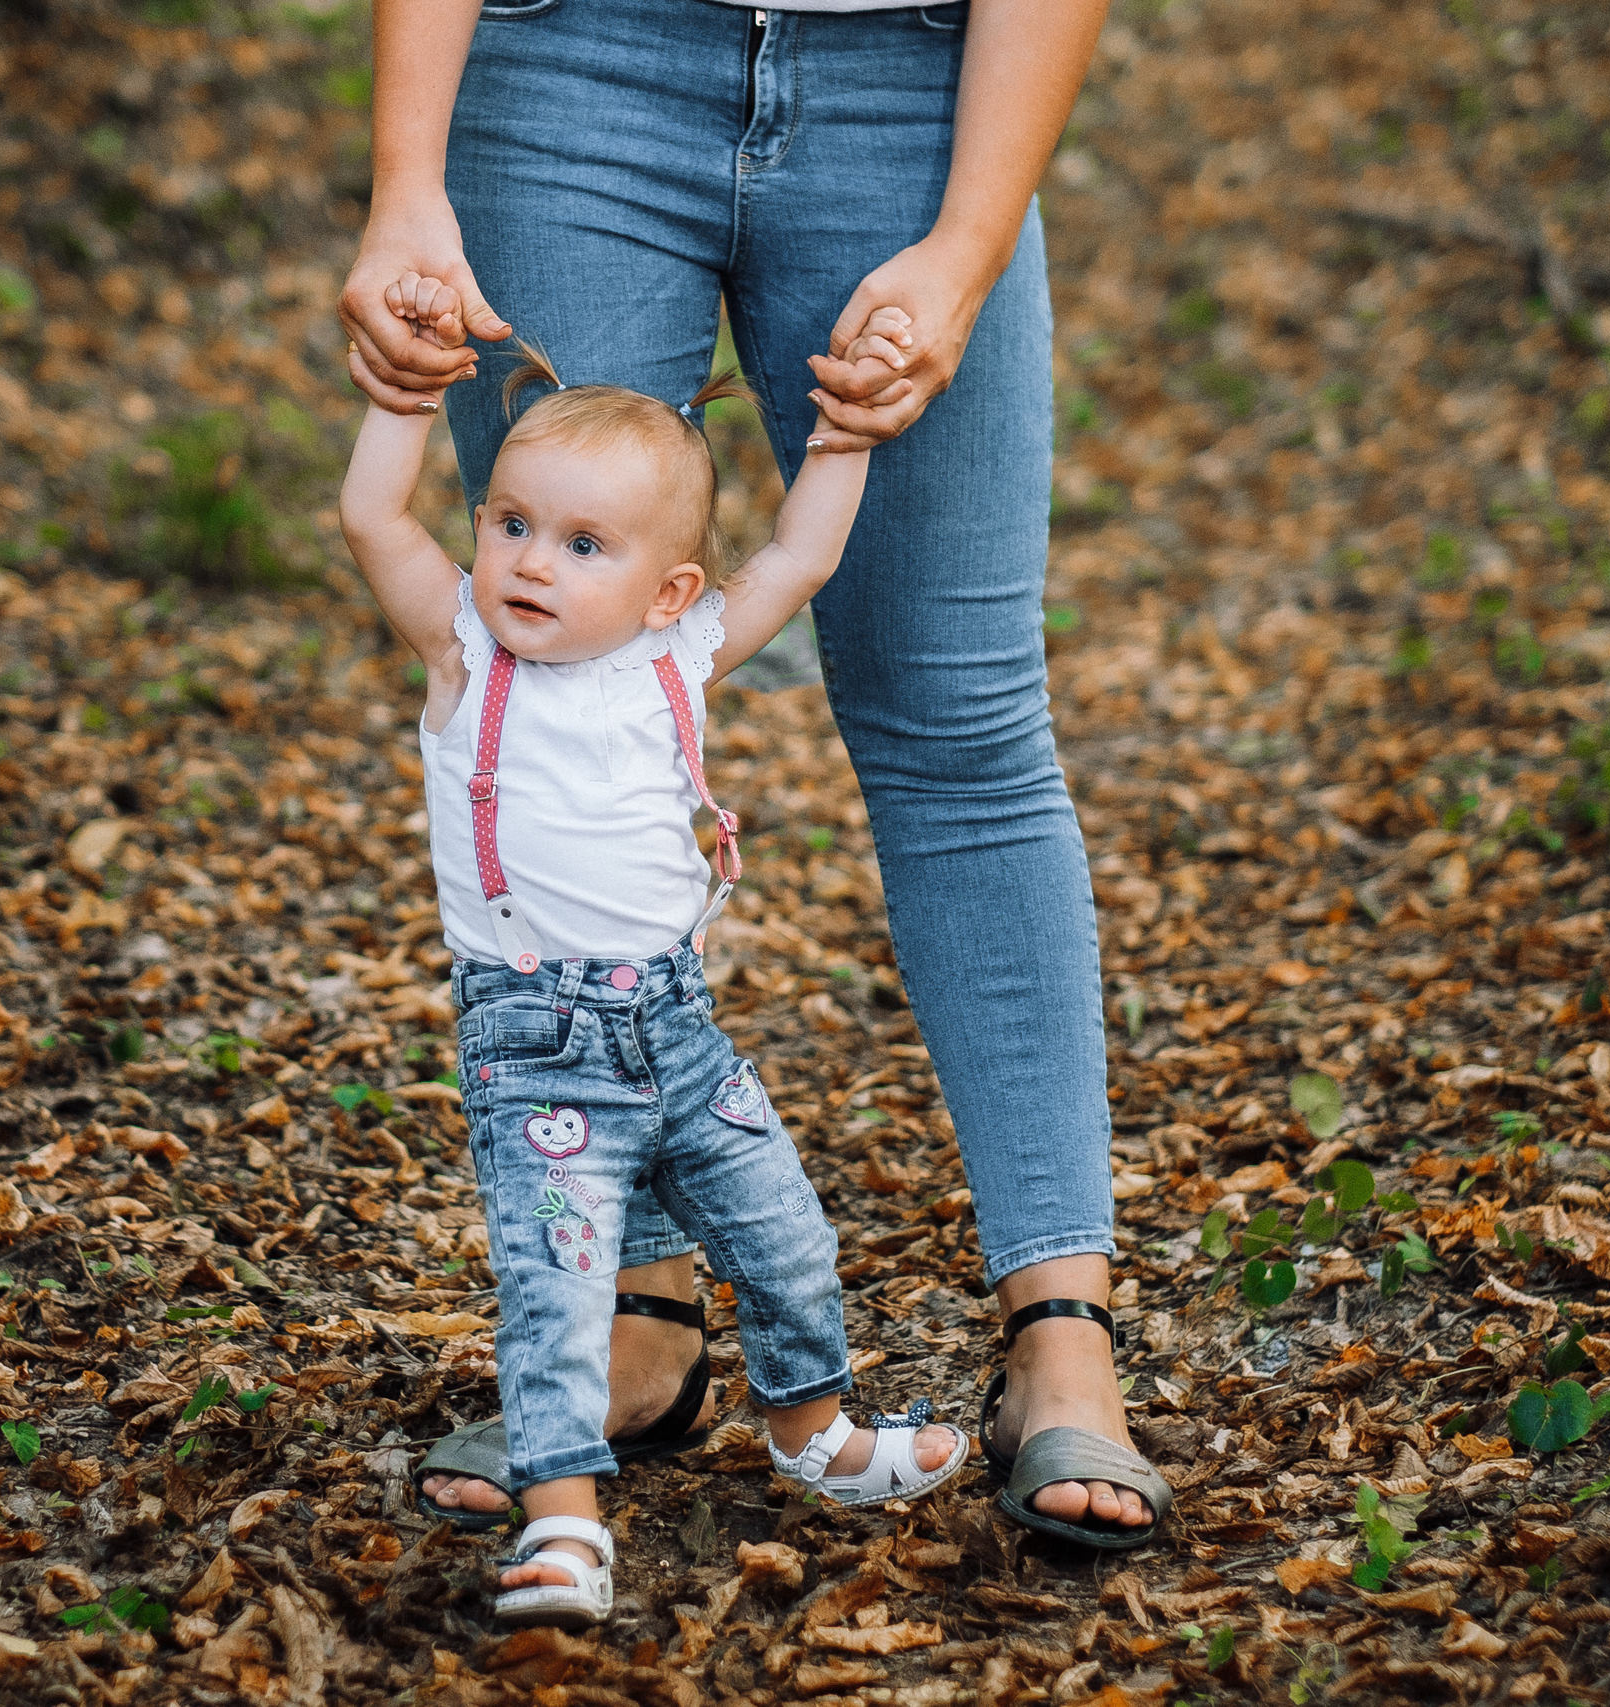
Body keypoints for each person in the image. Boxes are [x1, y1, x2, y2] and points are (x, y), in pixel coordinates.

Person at [342, 0, 1169, 1550]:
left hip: (920, 92)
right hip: (567, 70)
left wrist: (970, 242)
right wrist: (407, 177)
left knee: (961, 723)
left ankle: (1064, 1330)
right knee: (568, 653)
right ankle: (633, 1315)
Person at [338, 285, 965, 1629]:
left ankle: (812, 1429)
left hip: (678, 1031)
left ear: (669, 590)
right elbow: (372, 520)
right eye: (509, 524)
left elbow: (795, 559)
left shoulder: (679, 659)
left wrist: (841, 439)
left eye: (581, 543)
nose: (528, 563)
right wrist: (399, 406)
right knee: (558, 1284)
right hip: (539, 1043)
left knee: (784, 1235)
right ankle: (563, 1521)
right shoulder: (462, 656)